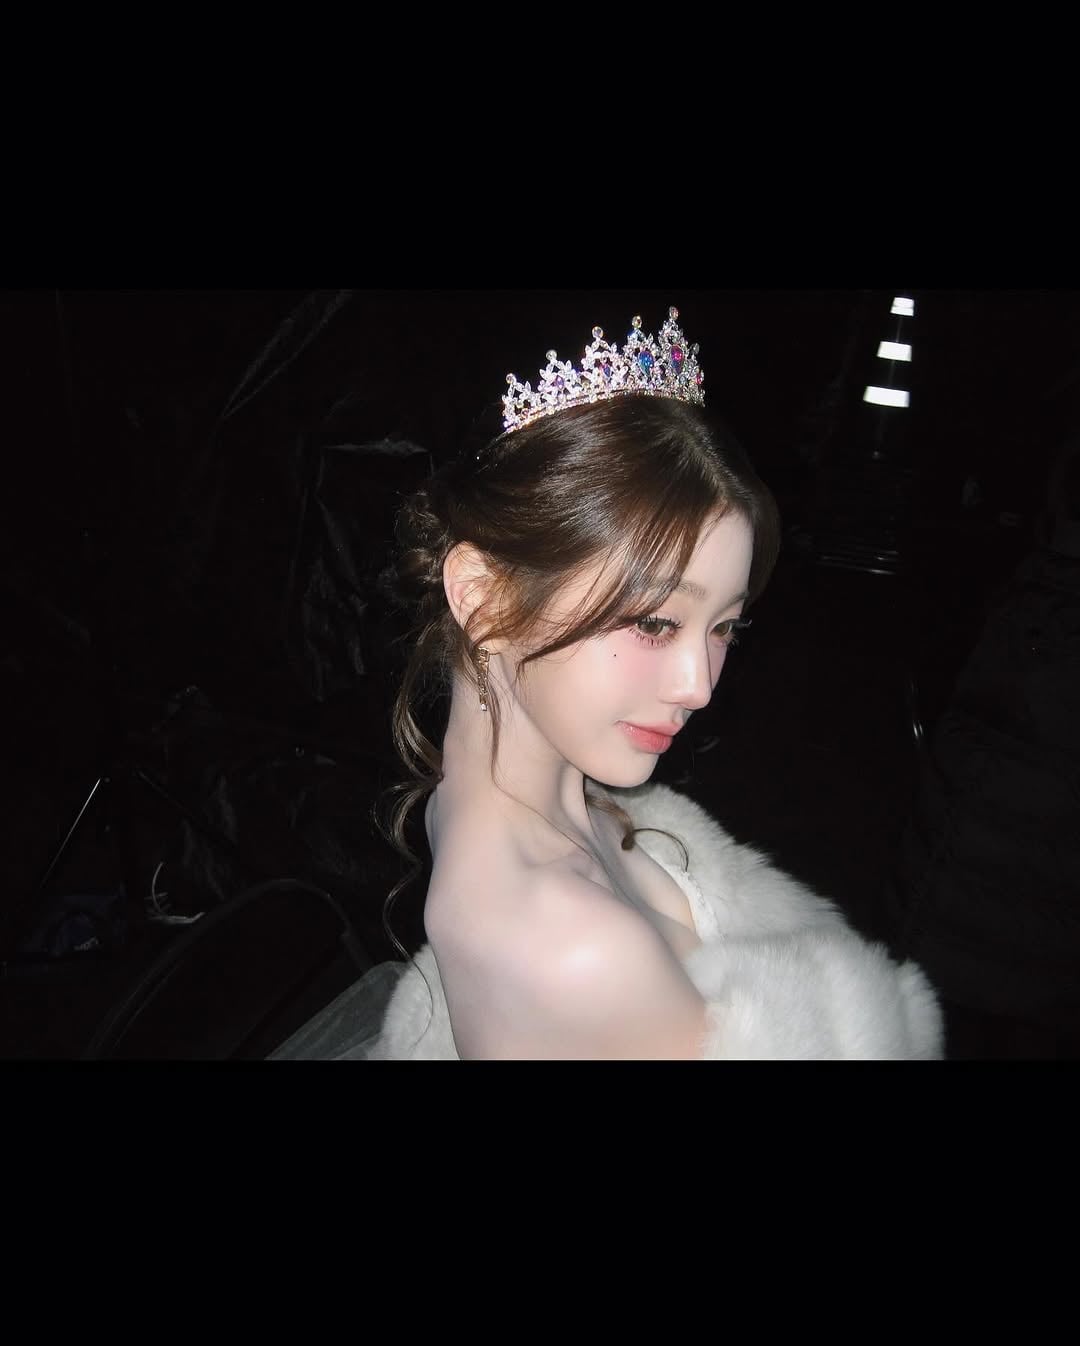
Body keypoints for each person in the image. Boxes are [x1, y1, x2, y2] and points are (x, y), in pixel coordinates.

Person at [271, 307, 943, 1060]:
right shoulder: (573, 948)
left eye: (725, 628)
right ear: (483, 598)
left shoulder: (539, 804)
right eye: (654, 623)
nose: (698, 687)